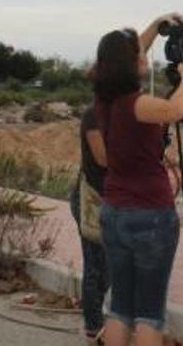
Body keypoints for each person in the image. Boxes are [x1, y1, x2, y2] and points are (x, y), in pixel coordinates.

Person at [93, 14, 183, 346]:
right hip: (150, 213)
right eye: (140, 55)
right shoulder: (137, 105)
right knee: (150, 312)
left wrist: (156, 25)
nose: (145, 57)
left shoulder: (104, 100)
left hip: (114, 211)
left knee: (120, 307)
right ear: (129, 64)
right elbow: (178, 108)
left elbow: (131, 50)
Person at [70, 104, 110, 343]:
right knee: (96, 266)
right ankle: (94, 329)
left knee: (108, 269)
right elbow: (103, 158)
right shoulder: (95, 114)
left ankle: (95, 315)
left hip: (113, 201)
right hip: (92, 201)